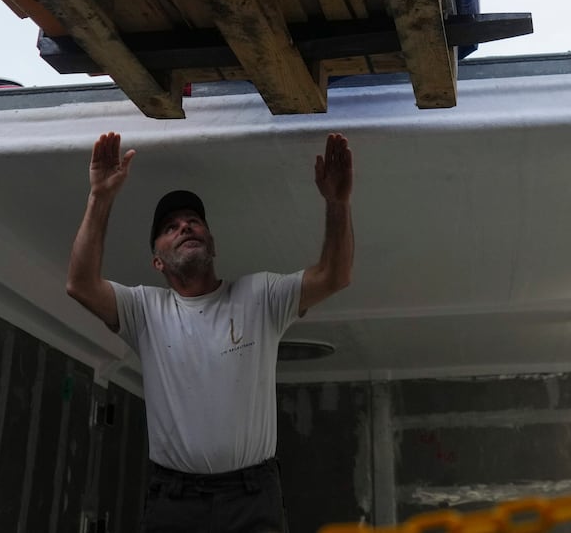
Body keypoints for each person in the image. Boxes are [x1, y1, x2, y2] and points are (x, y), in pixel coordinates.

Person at [66, 130, 355, 533]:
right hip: (174, 499)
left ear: (212, 244)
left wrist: (337, 203)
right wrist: (100, 196)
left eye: (193, 221)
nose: (185, 227)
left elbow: (334, 275)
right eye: (170, 227)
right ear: (158, 263)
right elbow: (80, 284)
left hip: (252, 495)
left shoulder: (260, 295)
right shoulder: (145, 309)